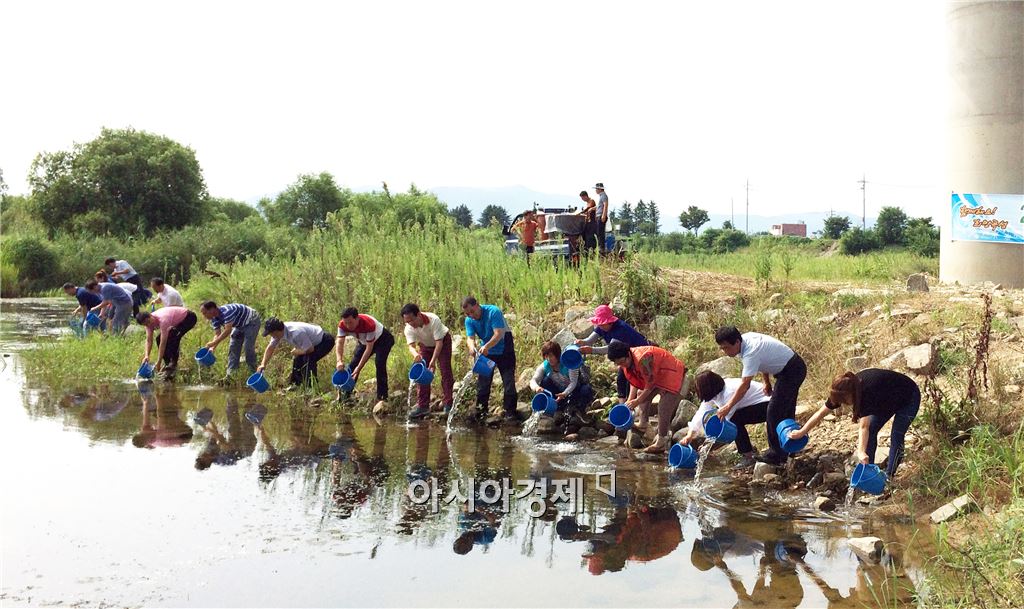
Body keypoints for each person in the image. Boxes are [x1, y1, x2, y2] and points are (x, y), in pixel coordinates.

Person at [787, 369, 920, 480]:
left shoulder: (865, 392)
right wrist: (801, 432)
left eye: (844, 401)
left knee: (896, 434)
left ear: (850, 395)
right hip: (885, 400)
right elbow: (820, 413)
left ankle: (889, 476)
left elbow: (864, 427)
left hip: (908, 397)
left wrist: (861, 452)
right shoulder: (842, 390)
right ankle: (869, 473)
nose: (843, 404)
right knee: (873, 430)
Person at [714, 326, 806, 466]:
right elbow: (763, 361)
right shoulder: (745, 342)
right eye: (722, 348)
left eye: (726, 348)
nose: (724, 351)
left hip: (792, 370)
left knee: (774, 411)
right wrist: (766, 382)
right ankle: (790, 448)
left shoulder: (750, 351)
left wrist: (728, 406)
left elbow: (745, 385)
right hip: (787, 370)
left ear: (737, 342)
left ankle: (776, 454)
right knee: (785, 410)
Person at [607, 339, 686, 453]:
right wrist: (630, 401)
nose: (621, 365)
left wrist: (637, 401)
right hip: (657, 376)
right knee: (640, 394)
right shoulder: (626, 361)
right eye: (618, 363)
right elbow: (634, 381)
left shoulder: (643, 358)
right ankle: (643, 423)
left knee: (663, 407)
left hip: (672, 372)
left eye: (622, 361)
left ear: (628, 354)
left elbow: (650, 384)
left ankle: (661, 441)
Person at [681, 370, 770, 468]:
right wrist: (690, 435)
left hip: (767, 404)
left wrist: (708, 444)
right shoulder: (715, 392)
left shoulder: (729, 392)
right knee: (735, 418)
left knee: (734, 420)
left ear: (708, 388)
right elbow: (701, 413)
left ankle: (748, 456)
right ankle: (748, 452)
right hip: (755, 405)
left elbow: (725, 424)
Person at [462, 296, 519, 425]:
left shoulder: (494, 311)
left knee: (508, 382)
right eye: (467, 314)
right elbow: (470, 338)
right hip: (486, 351)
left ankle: (510, 413)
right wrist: (471, 347)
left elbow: (498, 333)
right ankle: (481, 411)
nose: (471, 315)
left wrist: (486, 346)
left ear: (477, 305)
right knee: (483, 383)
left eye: (472, 311)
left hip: (504, 348)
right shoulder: (469, 320)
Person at [576, 305, 652, 400]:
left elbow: (611, 349)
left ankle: (630, 405)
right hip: (625, 355)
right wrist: (582, 342)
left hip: (640, 354)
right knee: (621, 379)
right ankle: (623, 405)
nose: (600, 326)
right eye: (599, 323)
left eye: (603, 323)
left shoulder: (621, 329)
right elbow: (590, 340)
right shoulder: (602, 327)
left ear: (610, 321)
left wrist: (591, 350)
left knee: (631, 380)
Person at [335, 307, 395, 411]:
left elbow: (369, 349)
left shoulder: (368, 324)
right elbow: (340, 342)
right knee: (352, 365)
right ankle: (346, 396)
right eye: (346, 323)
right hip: (364, 341)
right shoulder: (342, 325)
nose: (348, 326)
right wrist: (339, 360)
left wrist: (359, 368)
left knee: (379, 363)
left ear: (357, 318)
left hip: (383, 339)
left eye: (350, 322)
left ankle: (382, 397)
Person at [401, 303, 454, 420]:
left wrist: (433, 361)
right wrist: (416, 354)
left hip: (442, 343)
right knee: (421, 373)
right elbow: (411, 346)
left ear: (418, 314)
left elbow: (439, 343)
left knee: (445, 372)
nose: (410, 324)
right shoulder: (408, 328)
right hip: (425, 346)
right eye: (407, 322)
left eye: (412, 320)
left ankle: (448, 403)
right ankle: (423, 406)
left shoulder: (433, 320)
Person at [257, 317, 336, 388]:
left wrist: (297, 351)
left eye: (272, 334)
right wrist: (263, 364)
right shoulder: (278, 333)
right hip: (311, 343)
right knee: (297, 360)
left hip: (325, 341)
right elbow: (270, 347)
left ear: (277, 331)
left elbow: (310, 349)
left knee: (309, 360)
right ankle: (295, 384)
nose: (272, 336)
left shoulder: (296, 332)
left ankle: (311, 387)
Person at [529, 341, 594, 425]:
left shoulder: (568, 362)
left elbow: (573, 382)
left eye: (551, 356)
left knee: (586, 389)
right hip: (557, 394)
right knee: (545, 381)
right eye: (546, 356)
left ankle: (579, 409)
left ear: (557, 355)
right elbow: (533, 380)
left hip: (574, 391)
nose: (549, 359)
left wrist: (565, 393)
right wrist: (536, 388)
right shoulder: (544, 366)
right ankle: (557, 408)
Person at [200, 301, 262, 379]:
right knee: (233, 346)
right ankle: (231, 375)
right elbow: (217, 334)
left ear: (212, 309)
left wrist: (213, 343)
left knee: (248, 347)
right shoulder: (214, 318)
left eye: (205, 313)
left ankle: (253, 374)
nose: (204, 316)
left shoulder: (227, 311)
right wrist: (212, 348)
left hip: (252, 321)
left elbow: (227, 331)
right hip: (239, 325)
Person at [136, 306, 198, 379]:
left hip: (189, 318)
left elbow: (163, 342)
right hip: (177, 321)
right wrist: (146, 356)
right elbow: (149, 340)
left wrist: (158, 362)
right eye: (146, 324)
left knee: (173, 337)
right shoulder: (148, 324)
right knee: (158, 339)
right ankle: (168, 364)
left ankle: (173, 364)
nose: (148, 325)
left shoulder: (163, 319)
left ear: (151, 315)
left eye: (148, 322)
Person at [594, 183, 609, 254]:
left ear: (600, 189)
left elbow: (605, 205)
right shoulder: (601, 196)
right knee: (598, 232)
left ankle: (601, 247)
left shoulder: (603, 196)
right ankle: (600, 246)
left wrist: (603, 215)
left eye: (596, 189)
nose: (596, 190)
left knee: (600, 233)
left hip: (601, 215)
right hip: (599, 215)